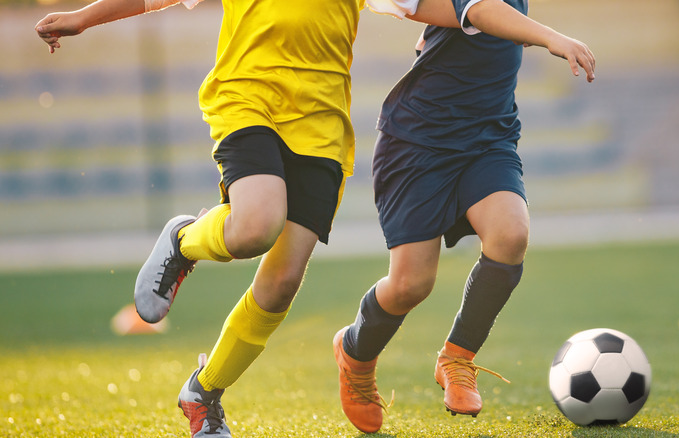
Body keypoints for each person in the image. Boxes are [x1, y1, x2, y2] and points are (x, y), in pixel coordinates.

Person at [34, 0, 471, 436]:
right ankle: (183, 239)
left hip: (321, 128)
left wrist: (501, 20)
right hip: (248, 99)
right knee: (255, 227)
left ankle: (202, 394)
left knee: (281, 285)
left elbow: (437, 7)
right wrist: (81, 18)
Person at [332, 0, 596, 433]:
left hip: (487, 139)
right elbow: (479, 9)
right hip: (417, 143)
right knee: (411, 284)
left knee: (510, 234)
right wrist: (553, 38)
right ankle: (355, 355)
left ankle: (457, 358)